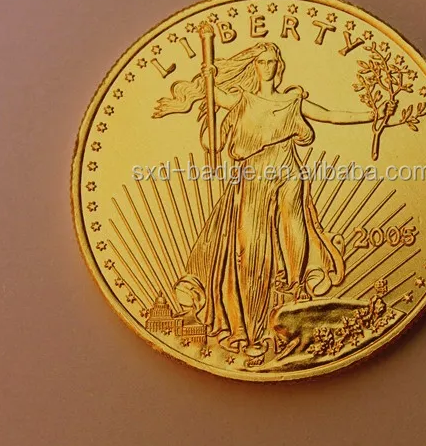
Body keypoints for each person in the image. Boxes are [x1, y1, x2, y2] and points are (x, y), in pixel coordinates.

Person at [154, 42, 393, 356]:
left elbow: (331, 116)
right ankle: (248, 327)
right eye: (263, 61)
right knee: (250, 248)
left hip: (289, 172)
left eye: (273, 62)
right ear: (254, 66)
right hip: (254, 176)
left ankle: (295, 291)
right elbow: (215, 98)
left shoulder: (292, 101)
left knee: (294, 230)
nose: (268, 66)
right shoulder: (242, 98)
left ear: (279, 66)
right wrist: (208, 78)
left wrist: (372, 115)